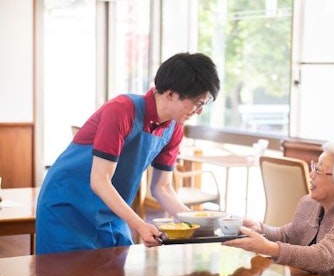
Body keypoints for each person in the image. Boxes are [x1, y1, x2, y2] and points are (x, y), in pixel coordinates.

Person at [35, 52, 220, 255]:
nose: (199, 111)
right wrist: (139, 224)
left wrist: (200, 224)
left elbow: (162, 187)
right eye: (197, 102)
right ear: (170, 94)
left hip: (111, 212)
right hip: (67, 208)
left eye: (204, 104)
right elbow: (100, 180)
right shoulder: (122, 110)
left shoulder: (174, 128)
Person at [223, 141, 334, 276]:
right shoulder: (309, 203)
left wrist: (268, 247)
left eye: (319, 170)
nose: (311, 174)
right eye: (314, 166)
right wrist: (261, 229)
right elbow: (289, 235)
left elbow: (323, 257)